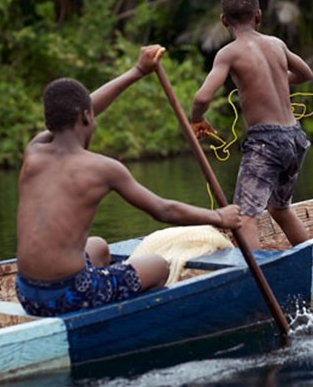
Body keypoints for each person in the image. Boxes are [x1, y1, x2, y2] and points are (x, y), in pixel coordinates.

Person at [15, 46, 242, 317]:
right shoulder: (103, 168)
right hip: (69, 294)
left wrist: (137, 72)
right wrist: (218, 216)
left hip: (27, 293)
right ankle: (108, 321)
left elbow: (83, 108)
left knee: (98, 246)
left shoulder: (34, 151)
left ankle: (97, 297)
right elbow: (163, 210)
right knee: (159, 267)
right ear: (87, 116)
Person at [190, 0, 313, 250]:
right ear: (258, 16)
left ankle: (256, 280)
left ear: (224, 21)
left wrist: (197, 119)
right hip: (294, 137)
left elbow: (202, 98)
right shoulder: (277, 44)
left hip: (266, 142)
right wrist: (279, 80)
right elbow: (306, 74)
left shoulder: (229, 53)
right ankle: (312, 259)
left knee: (246, 217)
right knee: (280, 209)